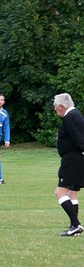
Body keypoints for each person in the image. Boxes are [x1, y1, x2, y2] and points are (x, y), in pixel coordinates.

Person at [53, 93, 84, 236]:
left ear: (61, 106)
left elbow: (78, 139)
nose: (54, 109)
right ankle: (74, 226)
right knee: (72, 193)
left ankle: (76, 224)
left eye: (55, 107)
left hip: (72, 159)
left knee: (60, 192)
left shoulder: (69, 117)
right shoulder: (77, 114)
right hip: (78, 159)